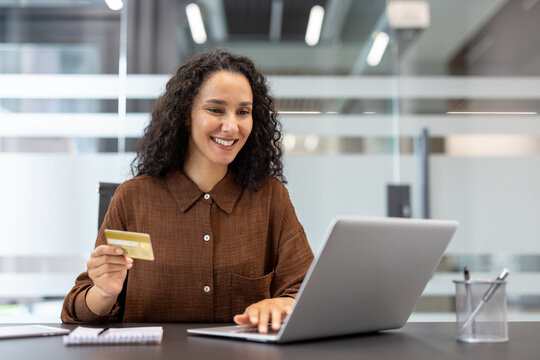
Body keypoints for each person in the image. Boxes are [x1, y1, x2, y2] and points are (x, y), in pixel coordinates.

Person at [61, 50, 314, 334]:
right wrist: (104, 293)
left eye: (243, 112)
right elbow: (76, 313)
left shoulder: (270, 197)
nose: (231, 126)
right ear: (185, 116)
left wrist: (283, 303)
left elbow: (308, 291)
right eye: (216, 110)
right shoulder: (133, 198)